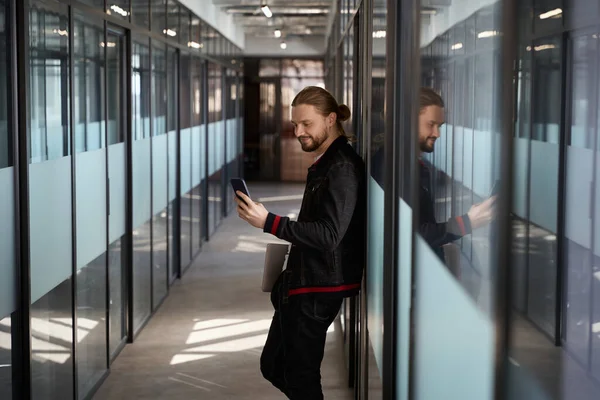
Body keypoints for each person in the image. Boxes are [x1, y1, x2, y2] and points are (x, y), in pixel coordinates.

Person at [234, 86, 365, 399]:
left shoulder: (342, 167)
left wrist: (270, 222)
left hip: (318, 289)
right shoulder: (327, 162)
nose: (298, 132)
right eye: (295, 125)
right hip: (305, 282)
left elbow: (329, 235)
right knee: (273, 366)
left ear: (331, 119)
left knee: (301, 378)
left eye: (307, 124)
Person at [416, 87, 495, 259]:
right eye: (431, 124)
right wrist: (467, 223)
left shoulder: (411, 164)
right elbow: (415, 235)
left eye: (440, 126)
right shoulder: (397, 169)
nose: (437, 133)